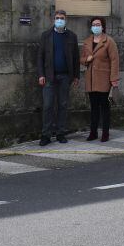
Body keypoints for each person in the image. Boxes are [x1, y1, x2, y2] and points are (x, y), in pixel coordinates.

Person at [36, 9, 79, 145]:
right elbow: (40, 57)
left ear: (66, 20)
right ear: (53, 20)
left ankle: (60, 133)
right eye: (57, 17)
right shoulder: (46, 35)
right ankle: (46, 135)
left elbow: (76, 58)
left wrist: (76, 76)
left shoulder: (72, 36)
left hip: (65, 76)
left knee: (63, 105)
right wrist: (41, 74)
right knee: (48, 105)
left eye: (62, 18)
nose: (59, 20)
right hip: (49, 76)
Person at [81, 16, 120, 142]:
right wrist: (86, 60)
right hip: (91, 80)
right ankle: (93, 132)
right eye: (94, 24)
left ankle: (105, 133)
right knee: (93, 108)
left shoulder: (109, 41)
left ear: (102, 26)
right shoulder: (87, 42)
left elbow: (115, 61)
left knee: (105, 108)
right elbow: (81, 59)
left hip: (104, 80)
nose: (96, 26)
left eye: (98, 24)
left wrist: (114, 79)